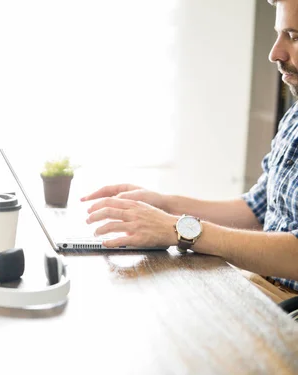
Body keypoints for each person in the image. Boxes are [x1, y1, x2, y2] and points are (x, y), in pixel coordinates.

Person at [81, 0, 298, 304]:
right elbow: (257, 209)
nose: (275, 53)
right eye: (279, 34)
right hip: (260, 284)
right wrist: (164, 205)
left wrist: (181, 230)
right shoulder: (295, 116)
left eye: (295, 37)